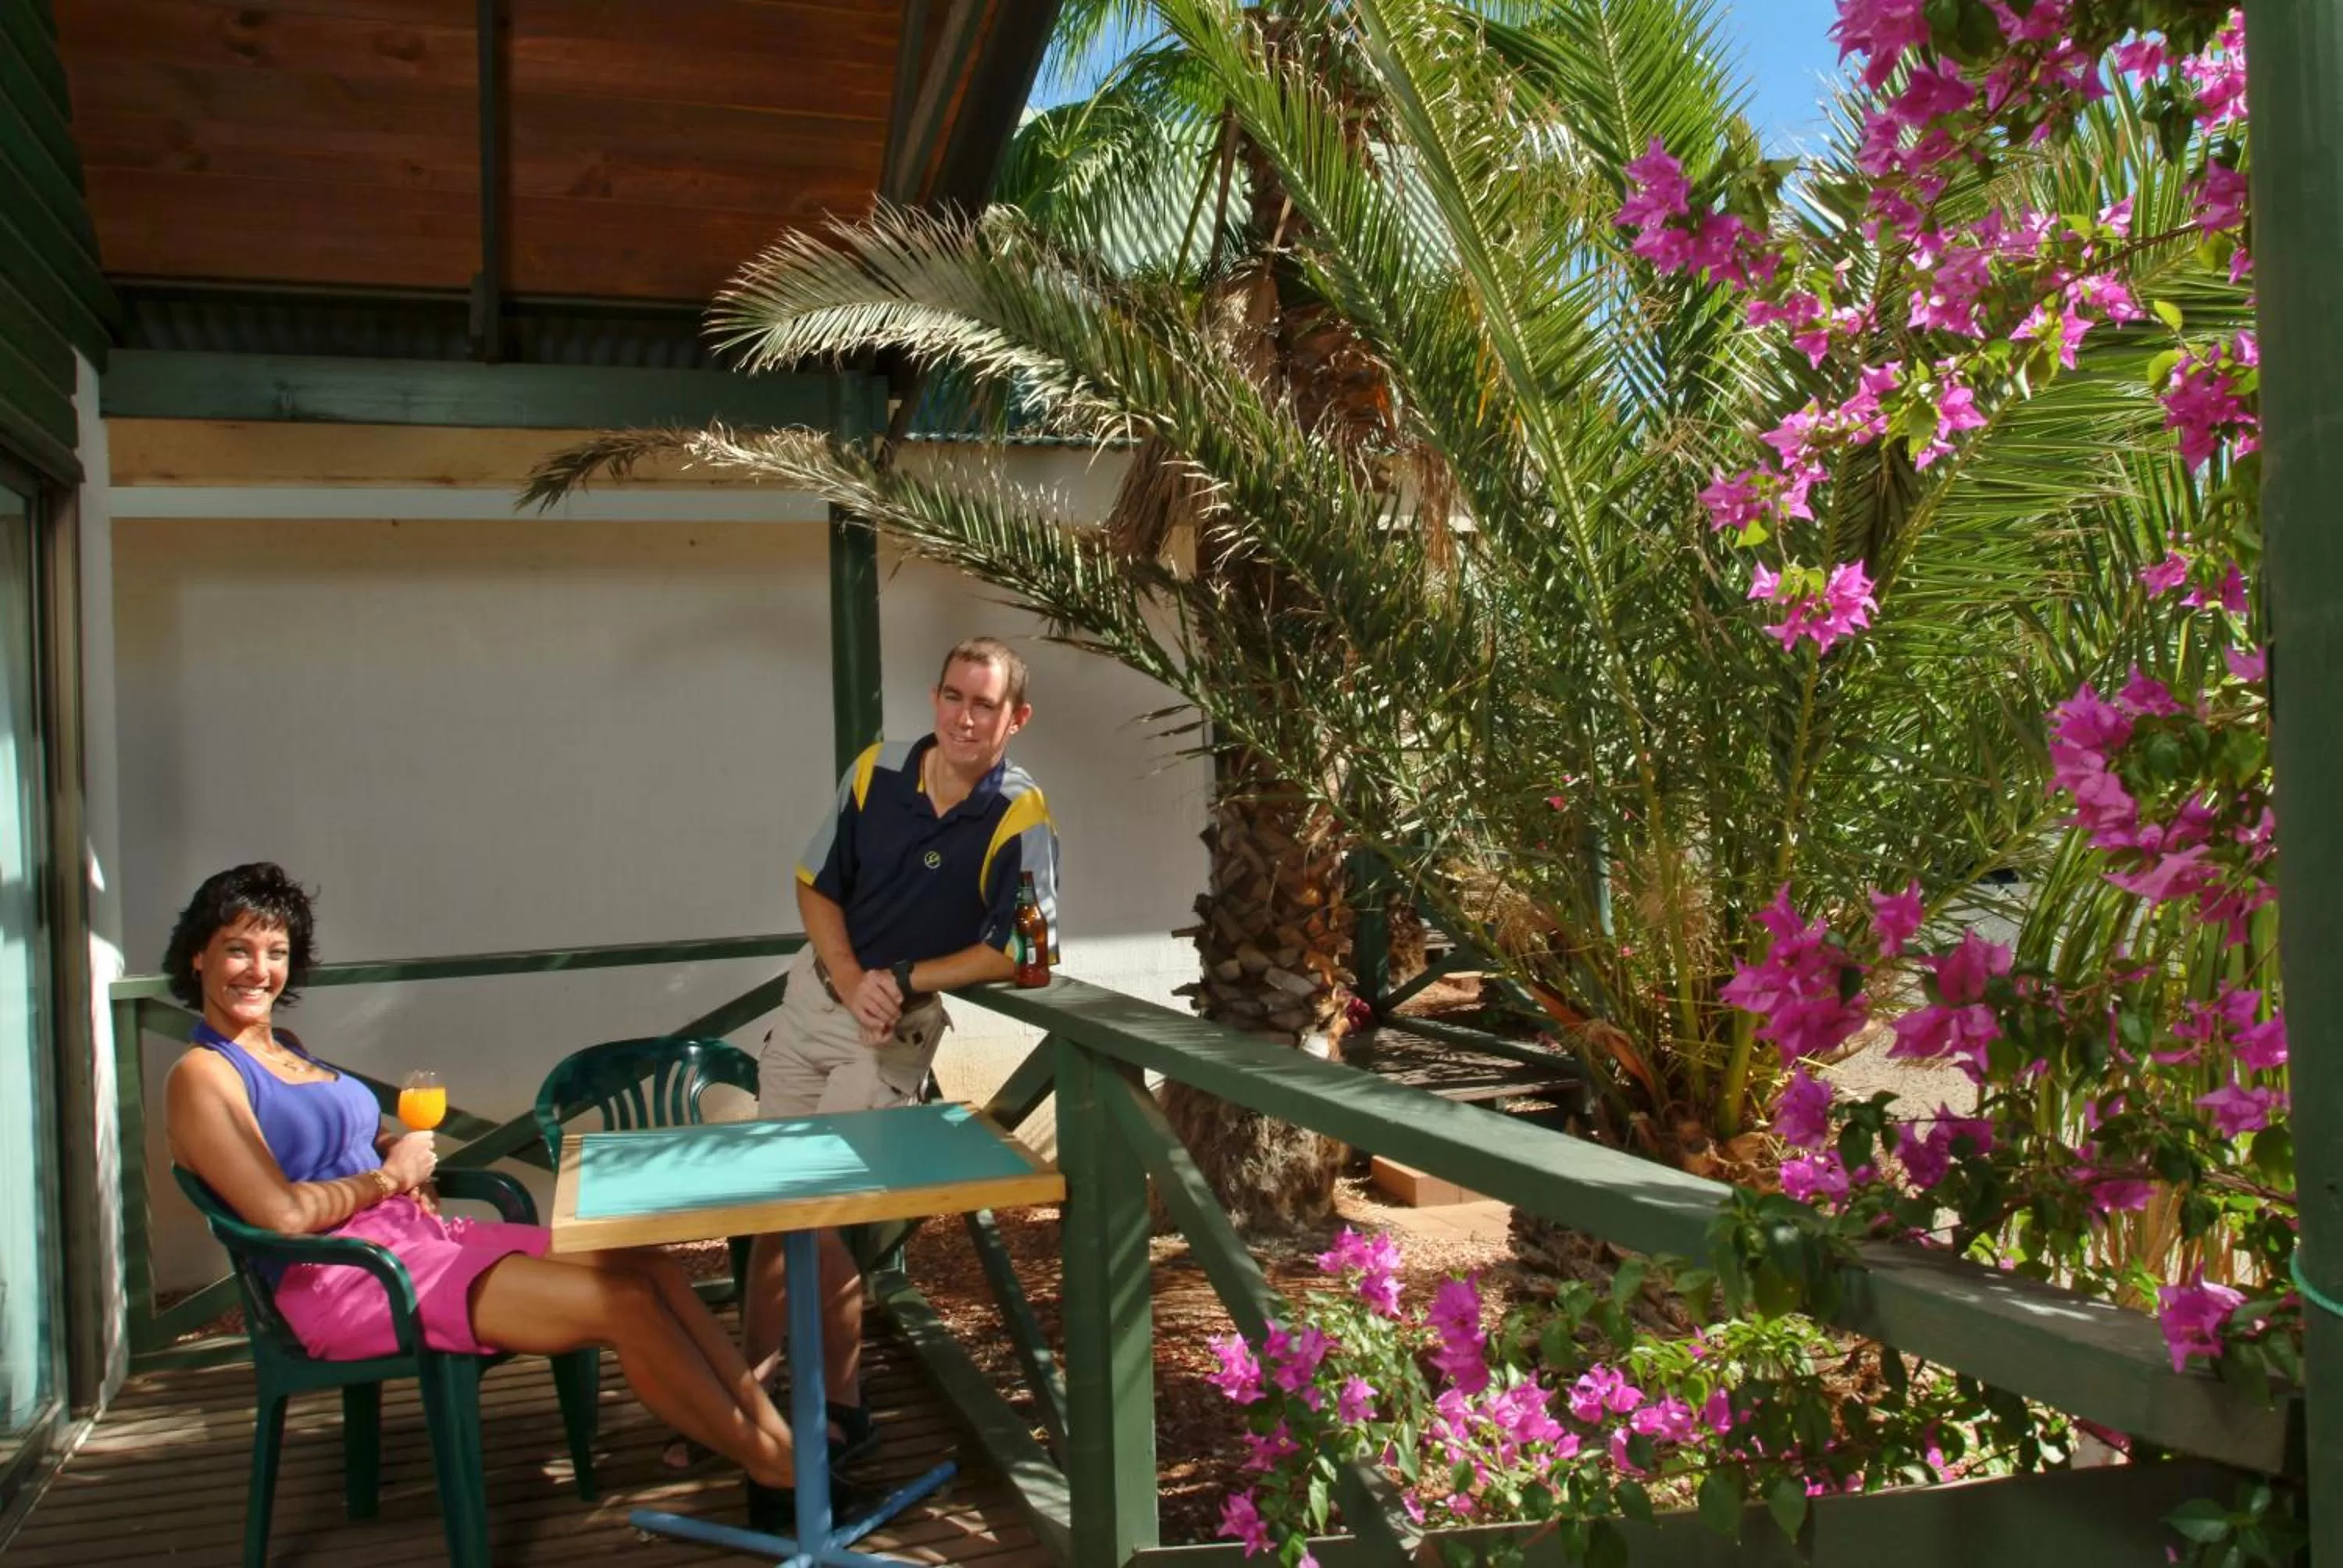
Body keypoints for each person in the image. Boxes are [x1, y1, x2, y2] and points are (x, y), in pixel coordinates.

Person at [162, 862, 830, 1527]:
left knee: (649, 1265)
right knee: (623, 1302)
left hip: (417, 1242)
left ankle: (773, 1443)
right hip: (353, 1280)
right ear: (198, 955)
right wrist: (387, 1179)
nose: (258, 970)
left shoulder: (287, 1047)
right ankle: (779, 1469)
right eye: (237, 949)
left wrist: (391, 1147)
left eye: (275, 952)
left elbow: (331, 1144)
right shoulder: (202, 1076)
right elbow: (279, 1212)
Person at [747, 636, 1058, 1465]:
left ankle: (843, 1409)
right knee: (770, 1212)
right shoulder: (877, 769)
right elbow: (816, 883)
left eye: (984, 704)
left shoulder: (1019, 814)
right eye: (953, 696)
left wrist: (906, 974)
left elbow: (1029, 955)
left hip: (892, 1032)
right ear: (935, 698)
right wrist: (851, 974)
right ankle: (745, 1394)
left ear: (1015, 718)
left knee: (818, 1214)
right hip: (815, 998)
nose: (964, 715)